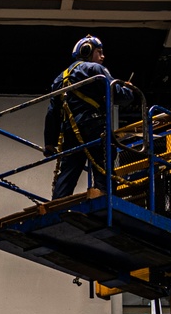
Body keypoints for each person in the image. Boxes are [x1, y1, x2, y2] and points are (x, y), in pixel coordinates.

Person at [43, 35, 134, 199]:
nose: (102, 56)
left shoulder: (59, 79)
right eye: (99, 52)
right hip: (95, 127)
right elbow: (119, 95)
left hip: (70, 132)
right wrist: (128, 91)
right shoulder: (95, 70)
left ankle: (57, 203)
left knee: (69, 170)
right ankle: (106, 200)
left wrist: (49, 142)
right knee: (103, 165)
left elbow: (52, 113)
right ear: (87, 51)